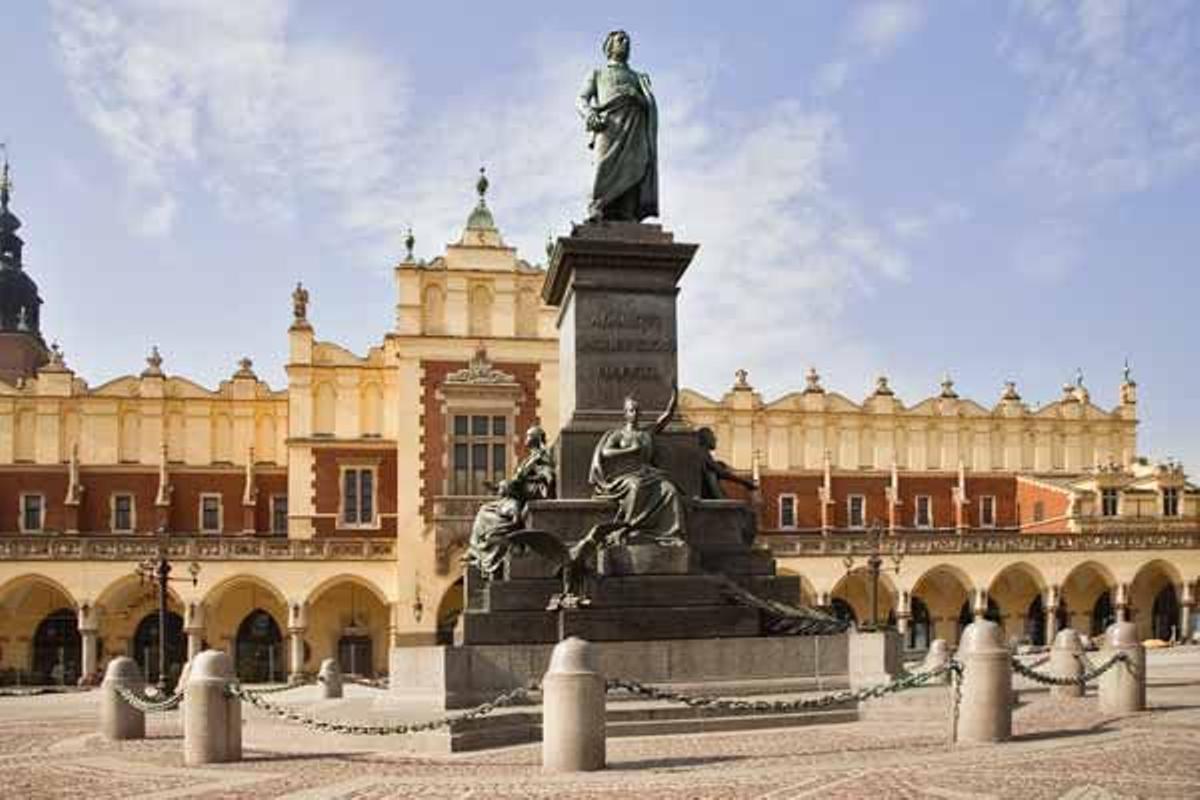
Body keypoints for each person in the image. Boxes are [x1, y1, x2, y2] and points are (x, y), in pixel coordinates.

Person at [576, 30, 658, 222]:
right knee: (603, 166)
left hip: (634, 127)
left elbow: (649, 105)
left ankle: (627, 212)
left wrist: (637, 95)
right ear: (609, 47)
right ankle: (596, 207)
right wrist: (589, 115)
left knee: (634, 166)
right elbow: (581, 99)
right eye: (620, 39)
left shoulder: (638, 77)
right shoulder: (598, 73)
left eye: (627, 40)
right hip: (608, 127)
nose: (625, 42)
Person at [589, 388, 686, 545]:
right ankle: (629, 528)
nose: (634, 413)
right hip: (625, 475)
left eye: (637, 410)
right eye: (631, 410)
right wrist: (630, 450)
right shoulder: (618, 434)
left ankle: (670, 535)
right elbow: (606, 452)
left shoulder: (646, 432)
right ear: (625, 413)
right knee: (637, 486)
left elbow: (666, 417)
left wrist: (674, 396)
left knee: (670, 490)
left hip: (648, 473)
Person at [464, 426, 556, 579]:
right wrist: (497, 487)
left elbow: (548, 477)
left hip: (521, 498)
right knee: (484, 510)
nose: (525, 438)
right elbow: (514, 482)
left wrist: (526, 481)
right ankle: (476, 550)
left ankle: (481, 550)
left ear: (536, 438)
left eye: (529, 436)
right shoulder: (531, 457)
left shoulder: (541, 456)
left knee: (486, 513)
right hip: (514, 497)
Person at [698, 426, 758, 499]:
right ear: (706, 439)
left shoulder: (702, 453)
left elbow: (718, 469)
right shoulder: (702, 453)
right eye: (712, 436)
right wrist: (745, 482)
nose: (715, 439)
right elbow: (722, 473)